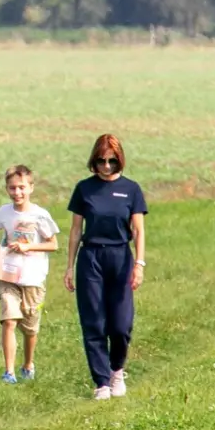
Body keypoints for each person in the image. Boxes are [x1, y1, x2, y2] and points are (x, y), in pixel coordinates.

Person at [63, 134, 147, 400]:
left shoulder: (131, 189)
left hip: (120, 256)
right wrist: (69, 266)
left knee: (121, 325)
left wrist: (139, 264)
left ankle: (117, 370)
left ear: (119, 159)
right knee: (94, 322)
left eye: (112, 161)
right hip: (91, 259)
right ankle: (101, 382)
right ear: (94, 160)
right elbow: (76, 231)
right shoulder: (84, 189)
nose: (106, 166)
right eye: (101, 161)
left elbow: (138, 230)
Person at [0, 165, 60, 384]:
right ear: (6, 189)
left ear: (31, 188)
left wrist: (29, 247)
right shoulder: (3, 212)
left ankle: (28, 364)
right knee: (9, 320)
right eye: (12, 188)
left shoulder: (40, 215)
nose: (17, 193)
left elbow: (53, 244)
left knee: (29, 328)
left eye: (21, 188)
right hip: (8, 275)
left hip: (33, 278)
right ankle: (8, 373)